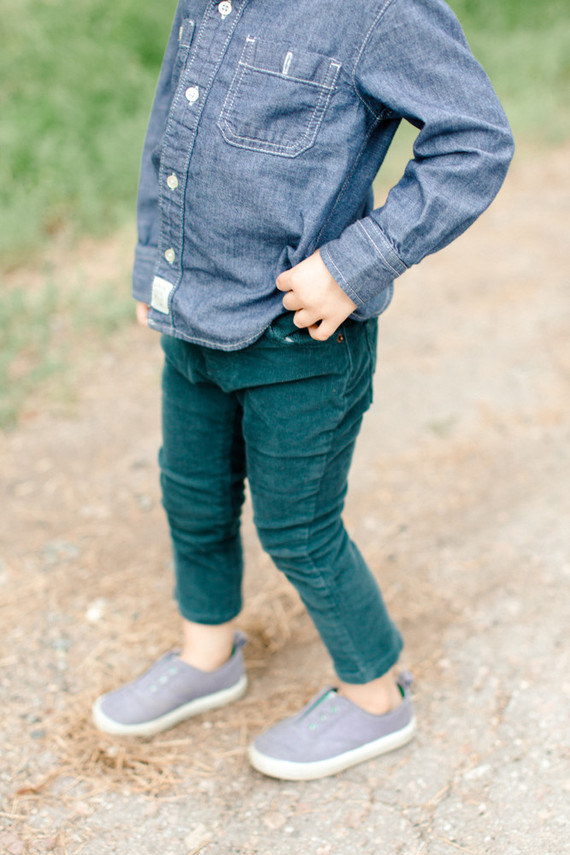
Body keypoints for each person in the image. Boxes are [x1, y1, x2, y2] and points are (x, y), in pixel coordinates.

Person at [92, 0, 514, 781]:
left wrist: (355, 266)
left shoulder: (380, 13)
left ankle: (375, 696)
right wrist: (156, 261)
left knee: (298, 527)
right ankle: (207, 654)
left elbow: (476, 141)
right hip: (192, 320)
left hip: (300, 340)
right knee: (193, 496)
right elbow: (169, 130)